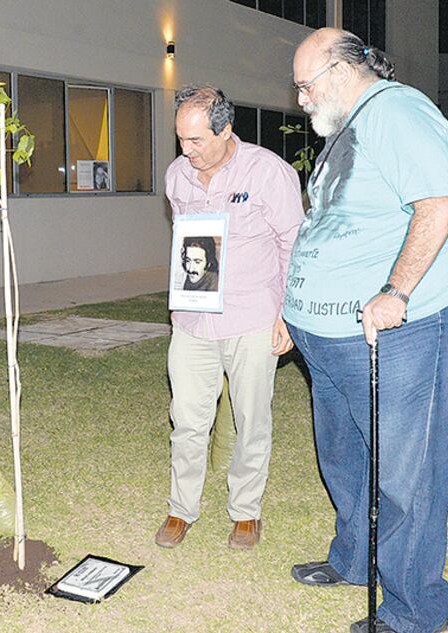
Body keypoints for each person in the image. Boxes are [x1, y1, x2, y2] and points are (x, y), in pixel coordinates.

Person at [285, 29, 448, 633]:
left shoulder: (398, 111)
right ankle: (355, 560)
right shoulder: (348, 129)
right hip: (324, 339)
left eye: (306, 84)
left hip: (391, 336)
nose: (301, 98)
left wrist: (396, 292)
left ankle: (413, 612)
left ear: (340, 69)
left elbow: (438, 202)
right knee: (347, 458)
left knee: (407, 475)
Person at [154, 85, 303, 550]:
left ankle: (245, 511)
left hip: (253, 318)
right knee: (187, 420)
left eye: (197, 140)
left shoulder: (268, 172)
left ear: (225, 129)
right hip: (194, 322)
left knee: (250, 420)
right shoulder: (177, 175)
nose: (186, 150)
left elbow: (292, 246)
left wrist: (287, 314)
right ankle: (182, 509)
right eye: (181, 139)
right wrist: (179, 306)